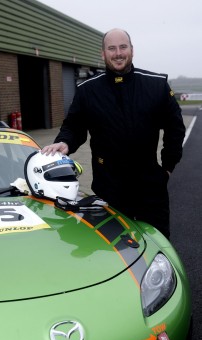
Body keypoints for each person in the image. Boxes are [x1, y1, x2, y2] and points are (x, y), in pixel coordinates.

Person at [41, 28, 186, 239]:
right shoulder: (87, 90)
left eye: (123, 47)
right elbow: (73, 126)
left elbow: (175, 127)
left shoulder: (157, 85)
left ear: (132, 50)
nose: (118, 53)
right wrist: (65, 142)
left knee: (158, 245)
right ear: (103, 54)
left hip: (150, 187)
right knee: (114, 250)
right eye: (112, 48)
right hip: (108, 188)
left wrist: (167, 168)